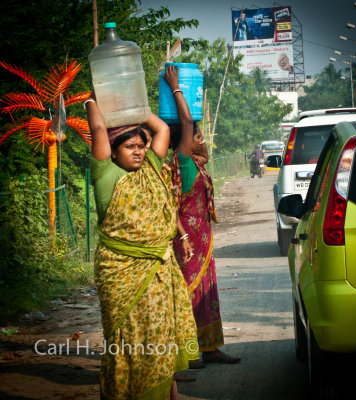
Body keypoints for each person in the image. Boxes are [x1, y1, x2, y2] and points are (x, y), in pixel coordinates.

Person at [86, 94, 199, 400]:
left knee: (159, 334)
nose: (137, 151)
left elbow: (161, 129)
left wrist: (131, 101)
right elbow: (98, 131)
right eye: (129, 147)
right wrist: (94, 101)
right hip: (119, 274)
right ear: (113, 152)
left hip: (157, 270)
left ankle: (168, 393)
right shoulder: (106, 176)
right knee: (127, 339)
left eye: (141, 145)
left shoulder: (151, 168)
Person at [163, 65, 241, 366]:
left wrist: (199, 137)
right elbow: (185, 119)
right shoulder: (182, 161)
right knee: (189, 294)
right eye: (198, 135)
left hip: (202, 241)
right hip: (186, 240)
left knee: (207, 291)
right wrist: (175, 87)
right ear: (185, 140)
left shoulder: (198, 162)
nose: (202, 139)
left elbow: (205, 151)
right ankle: (190, 352)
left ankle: (210, 347)